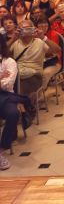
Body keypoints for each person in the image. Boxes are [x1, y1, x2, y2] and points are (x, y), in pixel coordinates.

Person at [9, 19, 58, 97]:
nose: (26, 31)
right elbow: (2, 52)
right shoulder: (15, 42)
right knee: (10, 83)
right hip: (17, 73)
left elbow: (57, 50)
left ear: (33, 29)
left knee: (21, 86)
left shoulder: (39, 42)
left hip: (34, 75)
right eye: (23, 29)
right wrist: (13, 38)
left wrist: (43, 37)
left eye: (28, 28)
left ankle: (23, 101)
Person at [0, 34, 18, 170]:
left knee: (13, 113)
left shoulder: (9, 61)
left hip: (5, 96)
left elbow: (8, 84)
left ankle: (3, 147)